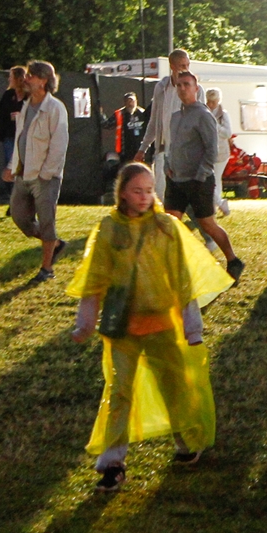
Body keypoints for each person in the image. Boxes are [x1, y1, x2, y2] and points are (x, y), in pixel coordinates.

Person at [67, 162, 234, 491]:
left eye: (148, 190)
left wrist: (192, 326)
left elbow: (182, 278)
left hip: (162, 323)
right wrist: (85, 321)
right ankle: (112, 463)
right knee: (119, 394)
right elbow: (95, 279)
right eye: (136, 191)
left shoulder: (165, 228)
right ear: (123, 194)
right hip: (123, 329)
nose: (143, 197)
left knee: (174, 384)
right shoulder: (108, 229)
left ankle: (186, 442)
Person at [163, 71, 243, 283]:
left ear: (196, 89)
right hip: (176, 180)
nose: (182, 88)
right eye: (179, 85)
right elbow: (171, 146)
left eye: (186, 85)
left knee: (207, 224)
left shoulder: (204, 115)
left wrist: (200, 176)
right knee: (170, 224)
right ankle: (173, 269)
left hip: (198, 181)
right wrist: (167, 165)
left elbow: (211, 150)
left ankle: (233, 260)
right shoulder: (175, 117)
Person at [2, 61, 69, 283]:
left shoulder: (55, 108)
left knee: (47, 220)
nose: (26, 79)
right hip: (24, 174)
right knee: (20, 217)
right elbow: (21, 138)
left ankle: (47, 269)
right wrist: (12, 168)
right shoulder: (26, 106)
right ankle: (55, 244)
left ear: (43, 80)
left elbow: (59, 145)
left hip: (44, 177)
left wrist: (47, 174)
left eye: (31, 76)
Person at [135, 49, 206, 202]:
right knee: (161, 193)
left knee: (187, 197)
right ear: (172, 66)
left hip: (186, 152)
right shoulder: (162, 88)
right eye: (182, 65)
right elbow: (154, 121)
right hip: (163, 148)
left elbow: (204, 122)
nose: (186, 68)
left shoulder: (197, 90)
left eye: (188, 64)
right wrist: (143, 148)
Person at [0, 66, 27, 209]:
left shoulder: (29, 96)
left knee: (22, 168)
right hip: (10, 136)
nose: (9, 79)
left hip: (24, 137)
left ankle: (21, 200)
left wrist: (21, 117)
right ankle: (13, 200)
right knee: (10, 166)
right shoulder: (8, 95)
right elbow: (1, 114)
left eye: (11, 76)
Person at [205, 89, 232, 217]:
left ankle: (220, 204)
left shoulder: (223, 114)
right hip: (207, 151)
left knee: (212, 180)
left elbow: (228, 133)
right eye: (209, 101)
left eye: (213, 102)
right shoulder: (204, 113)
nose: (210, 105)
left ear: (218, 101)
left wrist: (214, 126)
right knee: (214, 180)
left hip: (221, 153)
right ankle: (216, 205)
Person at [102, 92, 147, 165]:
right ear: (125, 102)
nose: (131, 104)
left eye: (132, 101)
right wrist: (100, 114)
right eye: (128, 101)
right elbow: (107, 125)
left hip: (140, 150)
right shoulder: (120, 114)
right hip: (125, 150)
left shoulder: (143, 113)